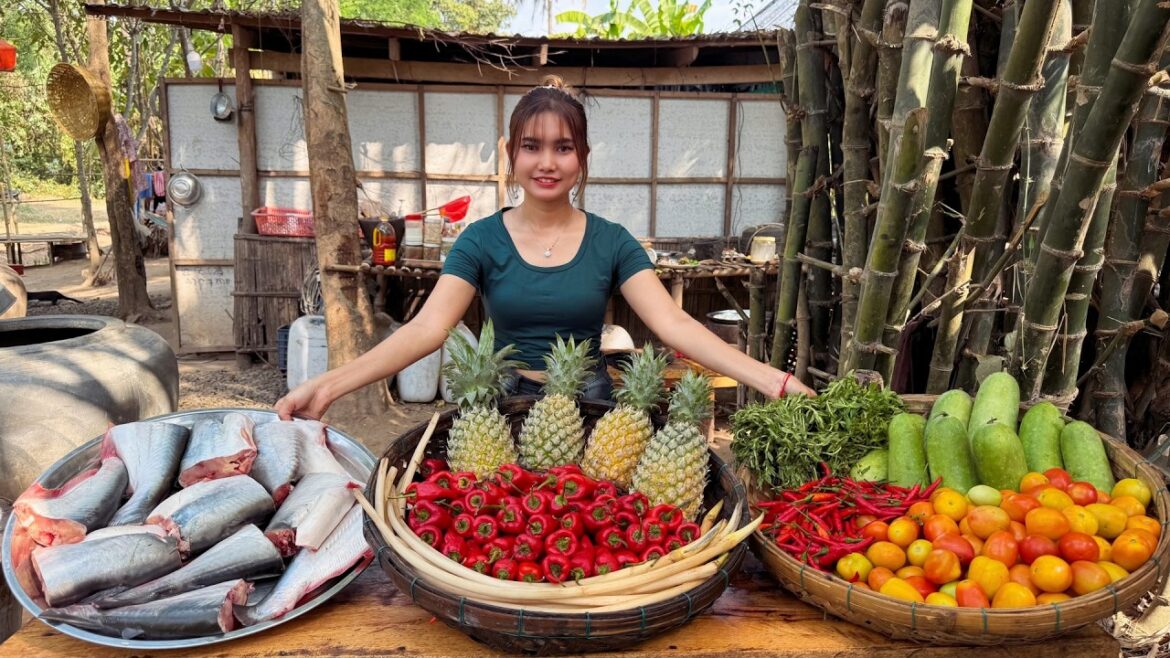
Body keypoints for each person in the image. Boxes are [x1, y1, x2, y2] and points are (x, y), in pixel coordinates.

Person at [275, 76, 813, 420]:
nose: (547, 163)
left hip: (594, 408)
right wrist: (329, 384)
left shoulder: (612, 242)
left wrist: (775, 380)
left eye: (563, 147)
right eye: (532, 147)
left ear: (582, 157)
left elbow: (676, 326)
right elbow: (425, 329)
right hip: (499, 408)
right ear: (512, 154)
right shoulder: (481, 239)